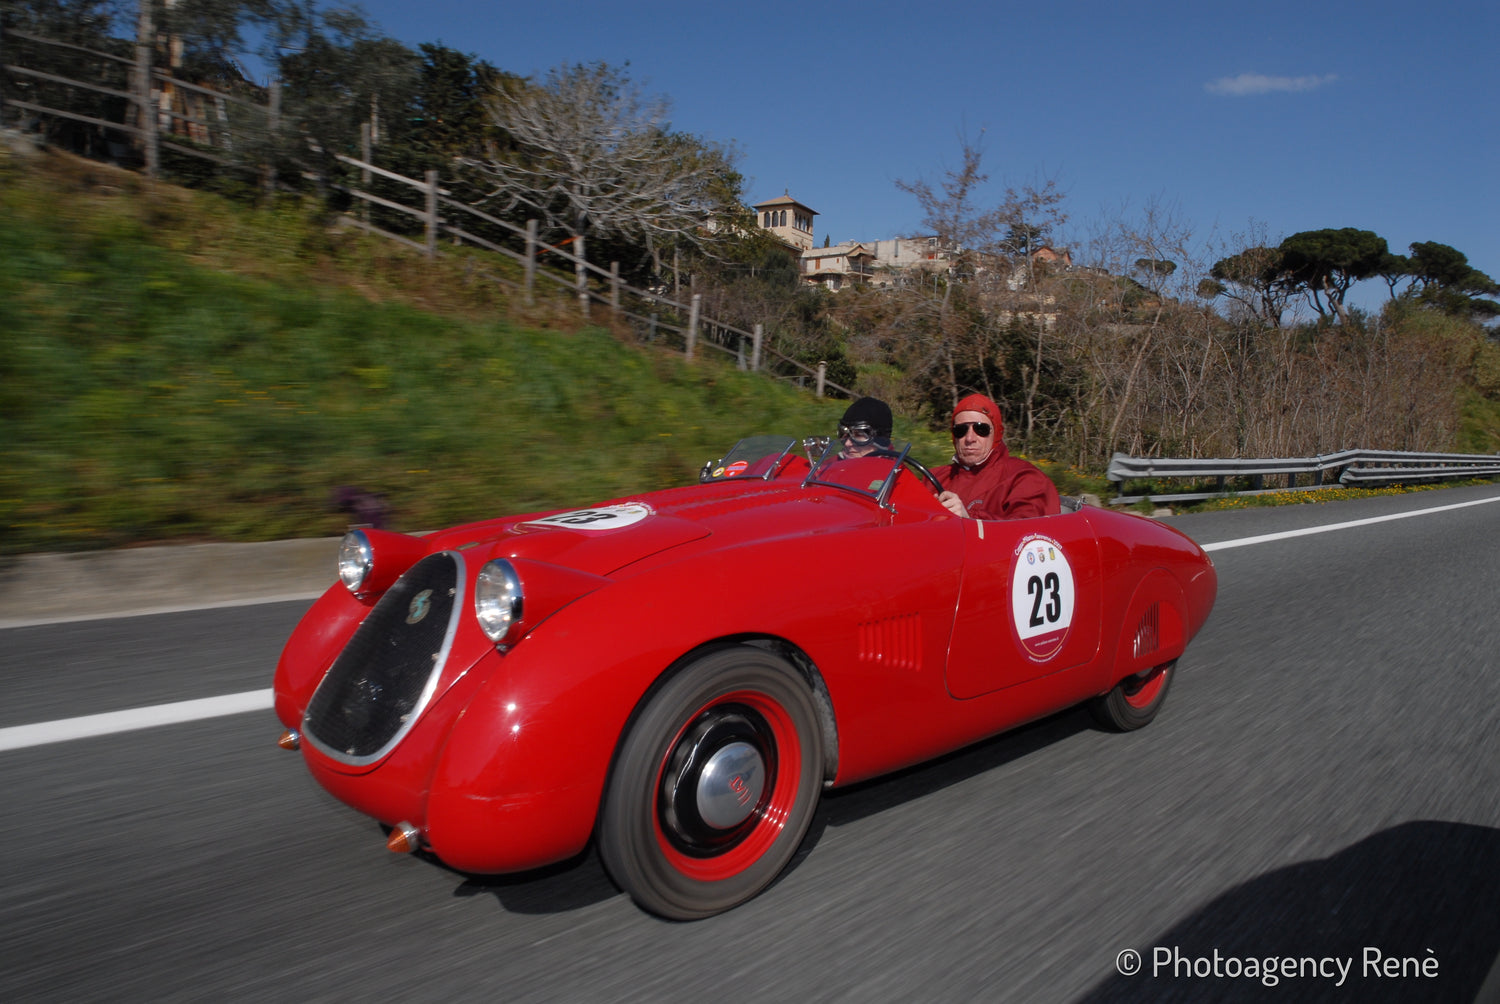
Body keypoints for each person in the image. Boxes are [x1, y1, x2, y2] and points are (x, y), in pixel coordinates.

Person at [933, 393, 1059, 519]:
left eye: (981, 429)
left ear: (997, 434)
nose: (970, 438)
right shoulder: (935, 478)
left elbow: (1028, 527)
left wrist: (969, 519)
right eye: (960, 430)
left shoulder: (1025, 478)